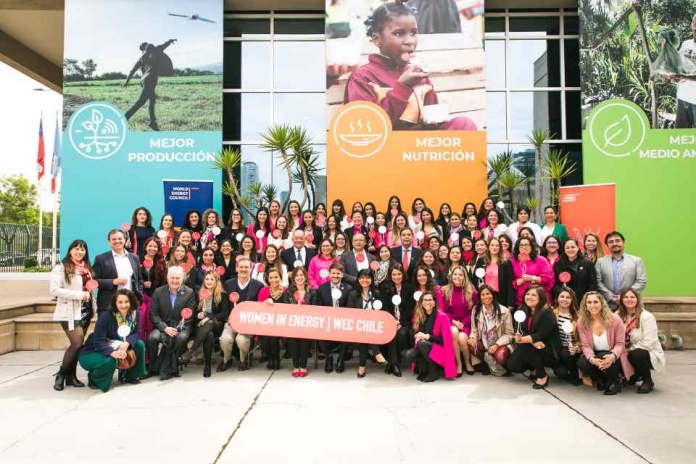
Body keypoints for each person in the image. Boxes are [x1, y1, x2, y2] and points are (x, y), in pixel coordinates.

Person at [345, 2, 477, 131]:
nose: (410, 41)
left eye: (413, 33)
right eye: (398, 33)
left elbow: (431, 122)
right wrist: (403, 87)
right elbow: (368, 128)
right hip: (389, 148)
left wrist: (434, 119)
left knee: (464, 124)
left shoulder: (417, 75)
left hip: (418, 146)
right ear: (377, 39)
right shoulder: (363, 78)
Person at [50, 240, 97, 391]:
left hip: (85, 310)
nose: (79, 252)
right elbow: (54, 290)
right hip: (69, 311)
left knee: (79, 345)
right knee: (76, 343)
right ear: (70, 250)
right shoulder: (61, 267)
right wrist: (80, 295)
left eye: (82, 249)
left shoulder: (86, 268)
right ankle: (61, 374)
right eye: (76, 249)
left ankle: (72, 376)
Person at [78, 289, 146, 392]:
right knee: (110, 360)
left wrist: (127, 343)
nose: (124, 305)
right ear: (115, 303)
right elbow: (98, 341)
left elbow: (136, 332)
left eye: (126, 301)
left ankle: (131, 376)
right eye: (120, 302)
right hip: (93, 351)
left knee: (139, 344)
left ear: (131, 301)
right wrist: (113, 353)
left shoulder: (135, 314)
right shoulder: (105, 316)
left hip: (119, 345)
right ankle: (94, 378)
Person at [146, 266, 197, 380]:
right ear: (167, 278)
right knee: (153, 338)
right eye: (172, 278)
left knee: (181, 338)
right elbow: (153, 314)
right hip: (163, 326)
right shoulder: (158, 291)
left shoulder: (189, 292)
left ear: (182, 278)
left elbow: (190, 314)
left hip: (182, 326)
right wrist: (165, 328)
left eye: (177, 278)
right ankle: (153, 366)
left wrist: (177, 328)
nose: (174, 281)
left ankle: (173, 366)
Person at [506, 286, 561, 390]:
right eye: (527, 294)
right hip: (530, 345)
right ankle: (533, 368)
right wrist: (524, 339)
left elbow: (541, 335)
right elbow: (520, 330)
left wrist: (524, 340)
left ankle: (542, 375)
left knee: (524, 346)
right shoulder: (522, 310)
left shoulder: (547, 313)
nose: (529, 297)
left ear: (541, 298)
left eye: (533, 295)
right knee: (513, 365)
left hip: (547, 348)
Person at [180, 271, 230, 377]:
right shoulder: (198, 293)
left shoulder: (222, 294)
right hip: (201, 326)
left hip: (216, 324)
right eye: (207, 279)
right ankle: (207, 366)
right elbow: (192, 311)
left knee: (210, 323)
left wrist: (208, 316)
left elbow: (224, 314)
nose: (209, 281)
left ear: (217, 281)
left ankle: (191, 350)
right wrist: (198, 315)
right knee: (209, 335)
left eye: (212, 279)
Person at [576, 292, 626, 395]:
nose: (593, 305)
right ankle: (600, 378)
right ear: (585, 305)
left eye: (595, 302)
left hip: (612, 354)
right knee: (582, 362)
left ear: (602, 303)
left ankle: (615, 381)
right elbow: (585, 345)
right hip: (594, 353)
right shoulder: (581, 322)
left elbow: (620, 343)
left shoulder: (615, 319)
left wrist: (613, 355)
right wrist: (591, 359)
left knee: (604, 356)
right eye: (589, 302)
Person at [219, 258, 264, 371]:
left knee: (241, 340)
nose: (244, 269)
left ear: (250, 268)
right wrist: (228, 317)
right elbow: (224, 305)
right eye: (241, 267)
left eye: (246, 267)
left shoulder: (258, 285)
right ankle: (226, 359)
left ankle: (243, 360)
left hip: (247, 322)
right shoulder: (228, 284)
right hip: (231, 321)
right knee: (225, 339)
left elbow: (260, 306)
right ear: (236, 268)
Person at [618, 289, 666, 394]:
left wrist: (629, 350)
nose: (629, 299)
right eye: (626, 297)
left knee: (636, 354)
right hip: (626, 350)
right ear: (621, 300)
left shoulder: (647, 317)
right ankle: (634, 375)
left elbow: (649, 342)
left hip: (647, 352)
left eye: (632, 297)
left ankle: (648, 381)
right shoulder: (618, 315)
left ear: (637, 300)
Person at [123, 38, 177, 131]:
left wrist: (127, 81)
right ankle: (124, 119)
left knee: (152, 100)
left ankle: (153, 123)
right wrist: (170, 41)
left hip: (144, 80)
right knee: (141, 102)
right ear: (146, 47)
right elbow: (163, 45)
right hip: (150, 80)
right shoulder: (155, 50)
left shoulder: (142, 58)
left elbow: (132, 70)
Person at [403, 291, 456, 382]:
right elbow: (416, 334)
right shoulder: (420, 316)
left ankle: (434, 371)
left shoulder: (442, 317)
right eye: (425, 300)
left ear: (434, 302)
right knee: (408, 354)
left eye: (430, 300)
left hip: (439, 350)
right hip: (424, 347)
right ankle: (425, 369)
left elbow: (444, 341)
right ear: (421, 302)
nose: (427, 302)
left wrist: (427, 336)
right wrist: (417, 335)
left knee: (423, 343)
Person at [347, 270, 388, 378]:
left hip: (373, 326)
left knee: (366, 335)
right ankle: (377, 353)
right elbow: (350, 312)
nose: (365, 280)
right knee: (364, 333)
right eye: (362, 278)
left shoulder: (377, 293)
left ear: (372, 280)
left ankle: (362, 367)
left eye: (368, 278)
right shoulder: (353, 294)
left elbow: (382, 311)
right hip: (357, 326)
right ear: (358, 279)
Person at [93, 229, 143, 314]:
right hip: (109, 304)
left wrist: (138, 297)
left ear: (125, 239)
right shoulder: (101, 259)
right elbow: (94, 281)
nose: (117, 241)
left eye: (120, 238)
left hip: (130, 304)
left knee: (130, 327)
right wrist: (113, 282)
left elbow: (139, 280)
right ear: (109, 241)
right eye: (114, 239)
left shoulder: (135, 258)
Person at [468, 285, 514, 376]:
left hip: (499, 343)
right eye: (483, 295)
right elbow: (474, 330)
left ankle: (500, 366)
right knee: (473, 346)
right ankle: (487, 364)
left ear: (492, 295)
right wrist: (472, 338)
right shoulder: (476, 310)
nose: (486, 297)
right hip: (484, 343)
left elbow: (509, 334)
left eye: (488, 294)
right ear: (480, 298)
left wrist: (497, 345)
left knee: (501, 356)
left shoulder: (504, 311)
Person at [441, 266, 478, 376]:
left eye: (460, 275)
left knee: (462, 339)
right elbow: (444, 311)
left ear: (464, 277)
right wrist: (454, 322)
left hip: (466, 323)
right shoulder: (445, 290)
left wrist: (464, 324)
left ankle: (467, 361)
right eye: (455, 274)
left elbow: (473, 311)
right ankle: (458, 363)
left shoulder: (471, 291)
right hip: (452, 322)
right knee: (453, 331)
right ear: (451, 276)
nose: (457, 277)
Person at [595, 231, 647, 310]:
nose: (614, 243)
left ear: (624, 243)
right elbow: (598, 282)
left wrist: (626, 296)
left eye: (617, 241)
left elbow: (641, 281)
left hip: (632, 304)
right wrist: (611, 297)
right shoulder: (600, 262)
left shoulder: (636, 261)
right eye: (611, 242)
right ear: (607, 246)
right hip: (608, 306)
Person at [316, 263, 352, 373]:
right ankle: (329, 357)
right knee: (320, 333)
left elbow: (350, 308)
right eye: (333, 273)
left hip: (343, 321)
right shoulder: (322, 289)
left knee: (346, 333)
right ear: (329, 274)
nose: (335, 276)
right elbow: (319, 307)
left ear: (342, 275)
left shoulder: (349, 288)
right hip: (327, 321)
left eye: (338, 273)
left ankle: (341, 359)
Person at [379, 264, 413, 375]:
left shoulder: (409, 287)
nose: (397, 277)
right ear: (390, 275)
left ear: (403, 274)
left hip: (404, 321)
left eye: (399, 274)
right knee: (389, 334)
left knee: (401, 334)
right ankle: (393, 363)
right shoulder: (385, 287)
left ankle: (393, 362)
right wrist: (392, 321)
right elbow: (384, 306)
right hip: (389, 320)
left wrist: (400, 322)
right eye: (394, 274)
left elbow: (409, 308)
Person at [285, 267, 318, 378]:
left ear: (305, 277)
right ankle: (295, 366)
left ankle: (303, 366)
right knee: (293, 339)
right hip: (292, 324)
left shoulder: (312, 291)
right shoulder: (289, 291)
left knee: (304, 339)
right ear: (293, 278)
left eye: (301, 275)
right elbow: (284, 307)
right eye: (297, 275)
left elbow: (314, 309)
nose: (299, 277)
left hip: (307, 324)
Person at [257, 268, 288, 370]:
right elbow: (259, 308)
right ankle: (270, 358)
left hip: (281, 322)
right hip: (266, 322)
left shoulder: (286, 290)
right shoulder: (263, 291)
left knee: (274, 336)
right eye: (271, 278)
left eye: (276, 277)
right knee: (265, 337)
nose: (274, 280)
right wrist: (265, 302)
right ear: (268, 279)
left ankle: (276, 358)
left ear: (280, 278)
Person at [510, 237, 554, 307]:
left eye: (527, 245)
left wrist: (533, 278)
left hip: (539, 300)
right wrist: (516, 282)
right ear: (518, 247)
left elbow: (548, 279)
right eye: (521, 245)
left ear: (532, 246)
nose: (524, 247)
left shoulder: (541, 260)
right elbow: (510, 281)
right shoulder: (513, 262)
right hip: (521, 301)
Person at [551, 288, 582, 385]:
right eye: (562, 296)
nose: (564, 299)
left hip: (571, 348)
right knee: (561, 373)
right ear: (557, 298)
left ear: (572, 299)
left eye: (568, 297)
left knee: (567, 354)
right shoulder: (551, 312)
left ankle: (574, 373)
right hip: (555, 348)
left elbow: (583, 337)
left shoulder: (579, 316)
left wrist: (577, 346)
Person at [139, 237, 166, 344]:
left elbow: (163, 282)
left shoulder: (160, 262)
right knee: (140, 324)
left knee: (150, 324)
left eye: (155, 246)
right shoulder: (137, 259)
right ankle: (141, 351)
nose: (152, 249)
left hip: (153, 297)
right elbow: (133, 278)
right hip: (140, 297)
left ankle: (149, 356)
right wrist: (142, 283)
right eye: (150, 246)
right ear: (145, 247)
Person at [674, 15, 696, 129]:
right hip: (683, 97)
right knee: (680, 135)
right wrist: (670, 75)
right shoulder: (686, 44)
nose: (695, 24)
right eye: (694, 21)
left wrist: (684, 76)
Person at [480, 238, 514, 307]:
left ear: (500, 248)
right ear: (488, 247)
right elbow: (476, 279)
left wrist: (510, 303)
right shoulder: (481, 261)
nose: (494, 247)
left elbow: (510, 283)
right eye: (492, 245)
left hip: (500, 297)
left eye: (497, 245)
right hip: (484, 297)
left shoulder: (506, 263)